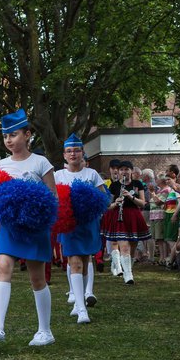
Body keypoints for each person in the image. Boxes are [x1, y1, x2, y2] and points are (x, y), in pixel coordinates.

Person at [0, 109, 59, 347]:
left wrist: (38, 213)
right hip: (10, 227)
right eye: (5, 136)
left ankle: (45, 331)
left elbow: (53, 197)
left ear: (28, 134)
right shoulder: (1, 164)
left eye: (13, 135)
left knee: (37, 277)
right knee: (3, 268)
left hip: (35, 227)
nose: (9, 140)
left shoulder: (41, 162)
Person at [55, 134, 107, 323]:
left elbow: (103, 198)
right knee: (74, 262)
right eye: (69, 151)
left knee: (85, 262)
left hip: (88, 224)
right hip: (69, 225)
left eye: (76, 150)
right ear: (64, 155)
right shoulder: (58, 175)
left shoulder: (92, 174)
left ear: (83, 153)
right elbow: (52, 199)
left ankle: (80, 302)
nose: (73, 154)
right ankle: (82, 308)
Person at [100, 161, 149, 284]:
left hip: (133, 216)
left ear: (131, 171)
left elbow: (143, 203)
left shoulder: (137, 184)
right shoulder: (114, 185)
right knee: (124, 246)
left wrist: (131, 197)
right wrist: (116, 202)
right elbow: (108, 206)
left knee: (133, 246)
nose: (123, 172)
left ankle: (129, 269)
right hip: (119, 217)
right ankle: (128, 275)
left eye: (126, 169)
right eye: (121, 170)